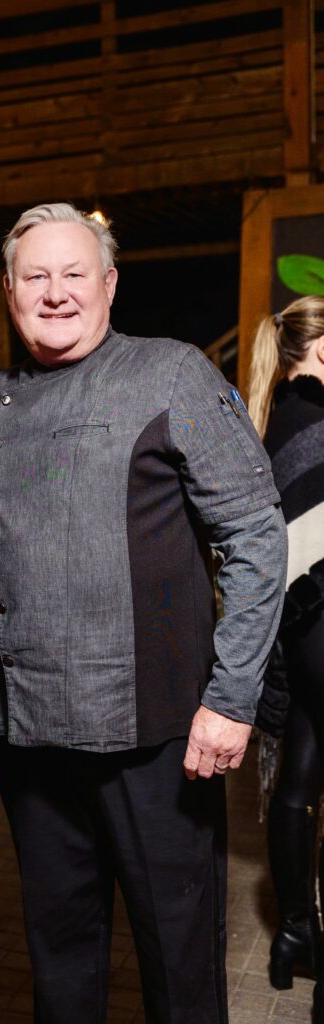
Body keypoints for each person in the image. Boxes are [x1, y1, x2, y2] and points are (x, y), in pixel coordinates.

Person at [0, 202, 288, 1023]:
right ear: (8, 290)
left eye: (74, 273)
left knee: (178, 962)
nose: (55, 292)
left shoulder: (170, 373)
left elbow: (255, 536)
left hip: (158, 738)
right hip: (31, 740)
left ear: (108, 284)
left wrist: (230, 699)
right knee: (60, 961)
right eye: (35, 276)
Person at [249, 296, 324, 1018]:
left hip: (300, 638)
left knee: (299, 783)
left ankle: (296, 932)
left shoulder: (271, 420)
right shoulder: (320, 421)